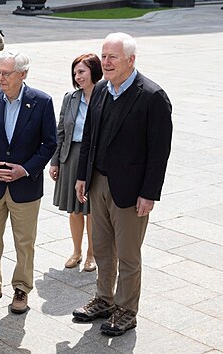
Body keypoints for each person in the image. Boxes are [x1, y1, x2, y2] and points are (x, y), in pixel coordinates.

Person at [72, 32, 172, 336]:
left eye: (112, 57)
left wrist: (149, 194)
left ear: (131, 60)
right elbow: (89, 135)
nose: (106, 62)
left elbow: (159, 152)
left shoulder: (152, 96)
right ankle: (104, 299)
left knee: (128, 255)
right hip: (98, 182)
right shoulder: (101, 89)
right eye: (103, 56)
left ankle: (127, 310)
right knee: (102, 248)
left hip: (131, 190)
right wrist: (81, 176)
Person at [0, 50, 57, 314]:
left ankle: (21, 288)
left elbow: (49, 143)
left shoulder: (42, 102)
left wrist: (26, 170)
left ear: (23, 74)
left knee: (24, 242)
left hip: (25, 187)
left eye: (6, 73)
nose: (0, 78)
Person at [49, 53, 102, 272]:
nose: (77, 77)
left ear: (93, 71)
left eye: (81, 72)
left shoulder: (105, 95)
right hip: (71, 154)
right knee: (75, 209)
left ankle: (92, 254)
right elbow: (60, 130)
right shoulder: (70, 97)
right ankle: (76, 251)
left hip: (95, 157)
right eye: (75, 73)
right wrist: (55, 161)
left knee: (92, 209)